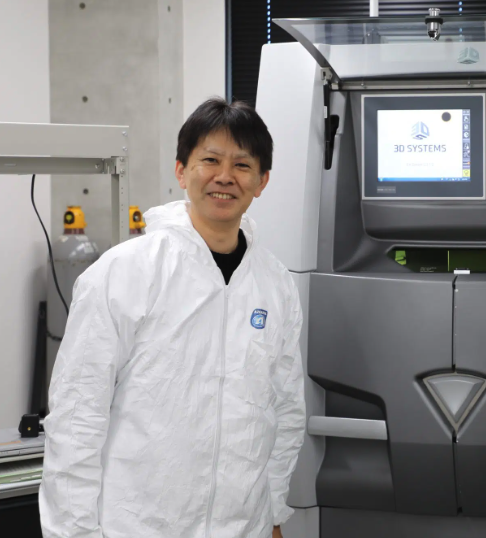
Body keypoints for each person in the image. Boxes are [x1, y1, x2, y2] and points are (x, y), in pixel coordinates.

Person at [40, 98, 306, 538]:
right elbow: (76, 416)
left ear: (262, 181)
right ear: (182, 171)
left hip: (245, 526)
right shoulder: (124, 272)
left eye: (242, 165)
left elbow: (285, 408)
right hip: (138, 527)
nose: (225, 176)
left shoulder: (275, 284)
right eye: (210, 160)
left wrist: (274, 510)